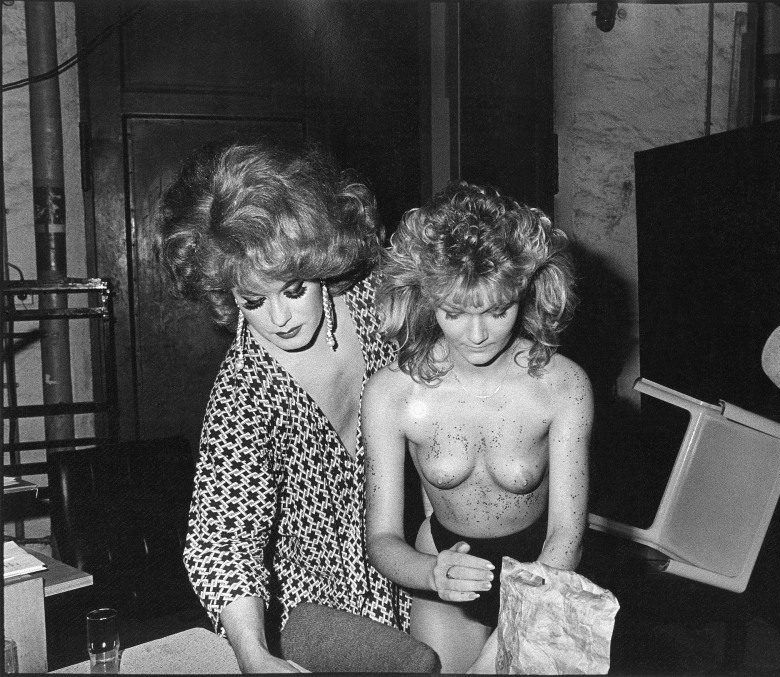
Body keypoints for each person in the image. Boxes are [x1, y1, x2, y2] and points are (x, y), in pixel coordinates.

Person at [156, 140, 441, 674]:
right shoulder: (244, 389)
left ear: (318, 262)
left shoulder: (382, 305)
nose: (280, 318)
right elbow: (223, 539)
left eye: (293, 289)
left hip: (418, 575)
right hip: (315, 621)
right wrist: (253, 653)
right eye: (252, 300)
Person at [363, 181, 593, 673]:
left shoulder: (563, 385)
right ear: (426, 298)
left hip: (545, 566)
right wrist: (432, 573)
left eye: (497, 310)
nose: (477, 334)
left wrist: (508, 639)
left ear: (524, 291)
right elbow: (381, 539)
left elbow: (568, 534)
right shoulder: (392, 394)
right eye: (454, 312)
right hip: (445, 565)